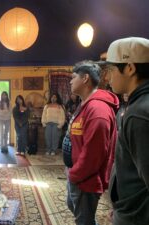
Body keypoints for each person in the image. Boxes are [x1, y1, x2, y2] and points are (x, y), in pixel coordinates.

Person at [63, 61, 119, 225]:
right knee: (73, 206)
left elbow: (93, 156)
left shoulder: (97, 110)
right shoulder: (85, 103)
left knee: (84, 220)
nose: (71, 81)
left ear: (85, 78)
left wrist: (74, 175)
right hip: (76, 173)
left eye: (73, 78)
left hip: (85, 179)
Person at [105, 37, 149, 225]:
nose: (107, 78)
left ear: (130, 68)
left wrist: (129, 214)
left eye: (111, 70)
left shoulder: (139, 113)